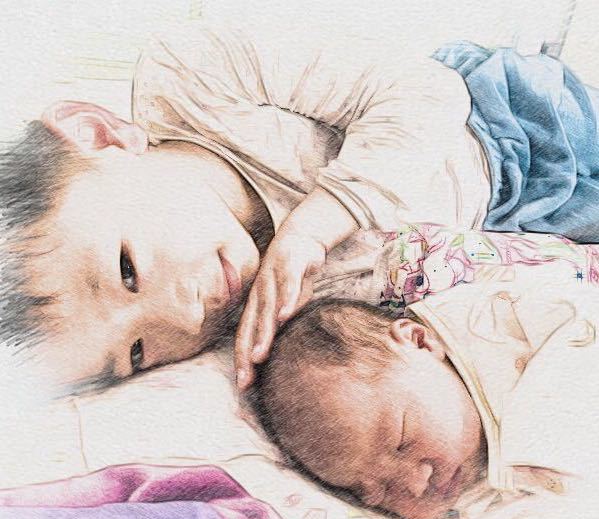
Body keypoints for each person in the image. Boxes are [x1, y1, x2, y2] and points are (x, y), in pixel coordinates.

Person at [2, 18, 598, 391]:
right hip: (514, 238)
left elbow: (426, 93)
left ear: (99, 135)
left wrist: (315, 224)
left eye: (127, 269)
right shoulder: (260, 327)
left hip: (518, 135)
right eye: (137, 353)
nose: (182, 319)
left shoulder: (197, 79)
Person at [249, 259, 599, 519]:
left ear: (418, 341)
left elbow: (583, 317)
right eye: (376, 490)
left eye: (403, 440)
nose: (416, 485)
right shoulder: (476, 497)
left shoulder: (493, 322)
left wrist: (537, 444)